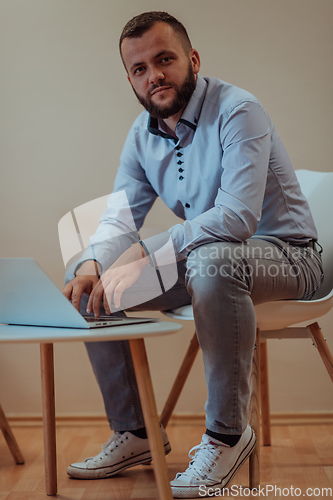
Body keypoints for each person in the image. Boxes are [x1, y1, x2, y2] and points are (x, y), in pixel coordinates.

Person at [62, 11, 323, 498]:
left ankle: (228, 433)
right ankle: (137, 433)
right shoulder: (142, 134)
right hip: (214, 263)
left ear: (192, 60)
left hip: (292, 257)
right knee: (88, 288)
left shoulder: (239, 109)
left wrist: (148, 251)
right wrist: (92, 263)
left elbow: (237, 219)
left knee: (212, 260)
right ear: (130, 79)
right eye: (139, 68)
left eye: (164, 59)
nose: (153, 75)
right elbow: (120, 220)